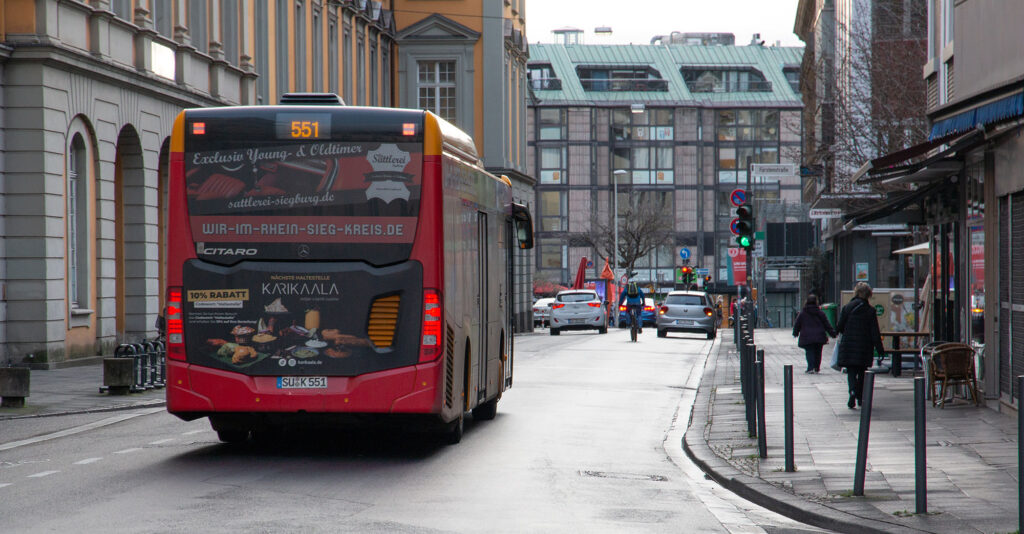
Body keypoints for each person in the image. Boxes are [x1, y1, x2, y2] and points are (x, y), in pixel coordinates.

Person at [836, 282, 886, 409]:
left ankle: (852, 391)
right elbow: (875, 332)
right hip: (864, 347)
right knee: (862, 373)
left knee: (851, 371)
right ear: (868, 295)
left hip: (849, 345)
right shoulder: (870, 311)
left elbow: (839, 327)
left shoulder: (847, 308)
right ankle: (859, 396)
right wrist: (880, 349)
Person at [792, 295, 837, 374]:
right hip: (819, 336)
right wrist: (833, 333)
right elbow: (827, 324)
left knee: (809, 352)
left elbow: (797, 324)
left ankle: (810, 368)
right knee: (818, 352)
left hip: (807, 337)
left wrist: (795, 333)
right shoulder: (820, 313)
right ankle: (816, 367)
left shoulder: (802, 313)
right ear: (816, 302)